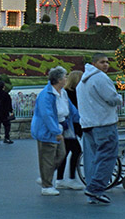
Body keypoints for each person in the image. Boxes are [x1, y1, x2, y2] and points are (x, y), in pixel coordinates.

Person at [77, 53, 123, 205]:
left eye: (107, 62)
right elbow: (112, 98)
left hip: (88, 124)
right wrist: (120, 99)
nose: (106, 65)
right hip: (103, 123)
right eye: (103, 62)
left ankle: (92, 192)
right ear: (95, 63)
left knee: (91, 159)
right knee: (107, 156)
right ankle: (96, 189)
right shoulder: (100, 78)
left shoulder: (82, 82)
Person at [31, 66, 80, 197]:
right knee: (47, 156)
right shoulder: (46, 95)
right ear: (59, 79)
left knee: (61, 154)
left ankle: (45, 176)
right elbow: (47, 115)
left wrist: (82, 120)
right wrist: (55, 131)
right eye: (65, 76)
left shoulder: (62, 93)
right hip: (47, 131)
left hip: (60, 128)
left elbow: (72, 110)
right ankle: (46, 186)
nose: (66, 79)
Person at [56, 70, 84, 190]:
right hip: (70, 126)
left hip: (68, 126)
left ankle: (60, 179)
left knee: (66, 152)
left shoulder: (67, 92)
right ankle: (71, 178)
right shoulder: (71, 93)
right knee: (76, 151)